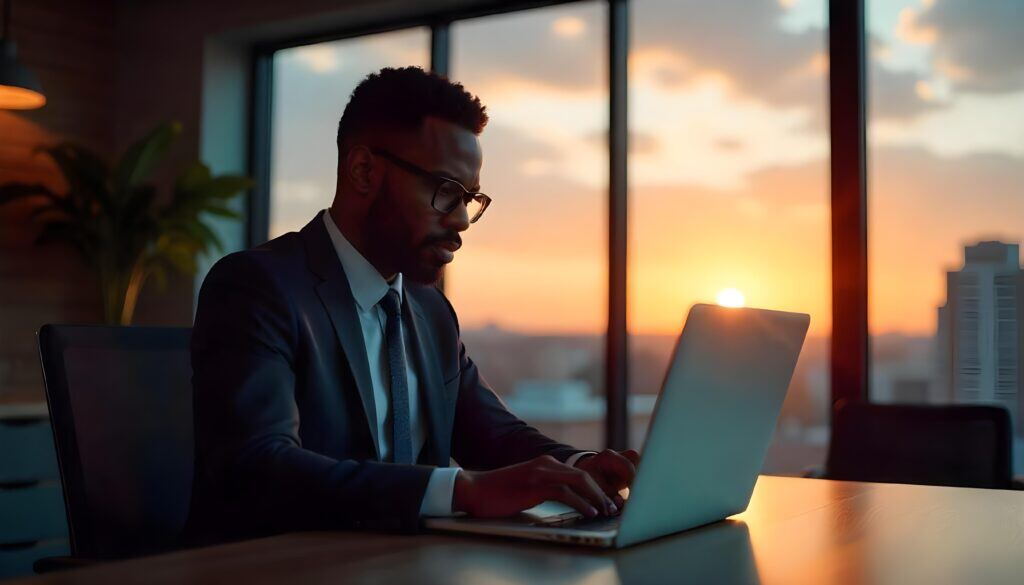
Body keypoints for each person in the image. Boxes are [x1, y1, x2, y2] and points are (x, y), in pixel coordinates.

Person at [185, 66, 639, 544]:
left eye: (470, 198)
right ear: (363, 171)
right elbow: (258, 466)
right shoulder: (257, 287)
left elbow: (492, 434)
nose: (462, 219)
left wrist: (582, 467)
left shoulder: (429, 311)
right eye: (446, 191)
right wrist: (461, 490)